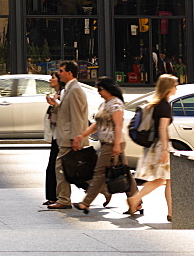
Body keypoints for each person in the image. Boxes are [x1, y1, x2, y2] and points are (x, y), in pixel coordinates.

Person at [70, 76, 136, 213]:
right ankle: (136, 202)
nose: (99, 92)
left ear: (108, 89)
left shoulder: (116, 104)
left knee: (99, 172)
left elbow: (118, 126)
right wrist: (82, 135)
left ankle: (86, 202)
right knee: (124, 172)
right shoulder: (105, 103)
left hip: (112, 143)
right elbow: (97, 124)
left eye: (100, 89)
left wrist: (116, 145)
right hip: (108, 142)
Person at [127, 74, 178, 221]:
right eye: (174, 85)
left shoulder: (156, 104)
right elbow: (162, 129)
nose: (176, 88)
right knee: (162, 179)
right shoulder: (164, 106)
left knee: (166, 180)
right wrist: (164, 150)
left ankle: (171, 212)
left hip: (156, 145)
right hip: (161, 146)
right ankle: (136, 198)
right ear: (168, 87)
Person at [47, 60, 90, 210]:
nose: (58, 74)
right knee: (72, 169)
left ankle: (64, 199)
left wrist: (76, 138)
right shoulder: (69, 89)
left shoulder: (75, 90)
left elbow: (78, 117)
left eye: (61, 71)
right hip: (66, 136)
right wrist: (56, 105)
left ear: (69, 73)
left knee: (60, 167)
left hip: (69, 137)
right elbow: (67, 112)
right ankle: (101, 188)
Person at [42, 72, 64, 206]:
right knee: (56, 168)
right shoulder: (58, 95)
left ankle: (100, 189)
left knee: (56, 168)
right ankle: (53, 197)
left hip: (62, 137)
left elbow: (65, 114)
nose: (50, 79)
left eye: (53, 78)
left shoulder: (63, 95)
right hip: (56, 136)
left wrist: (55, 104)